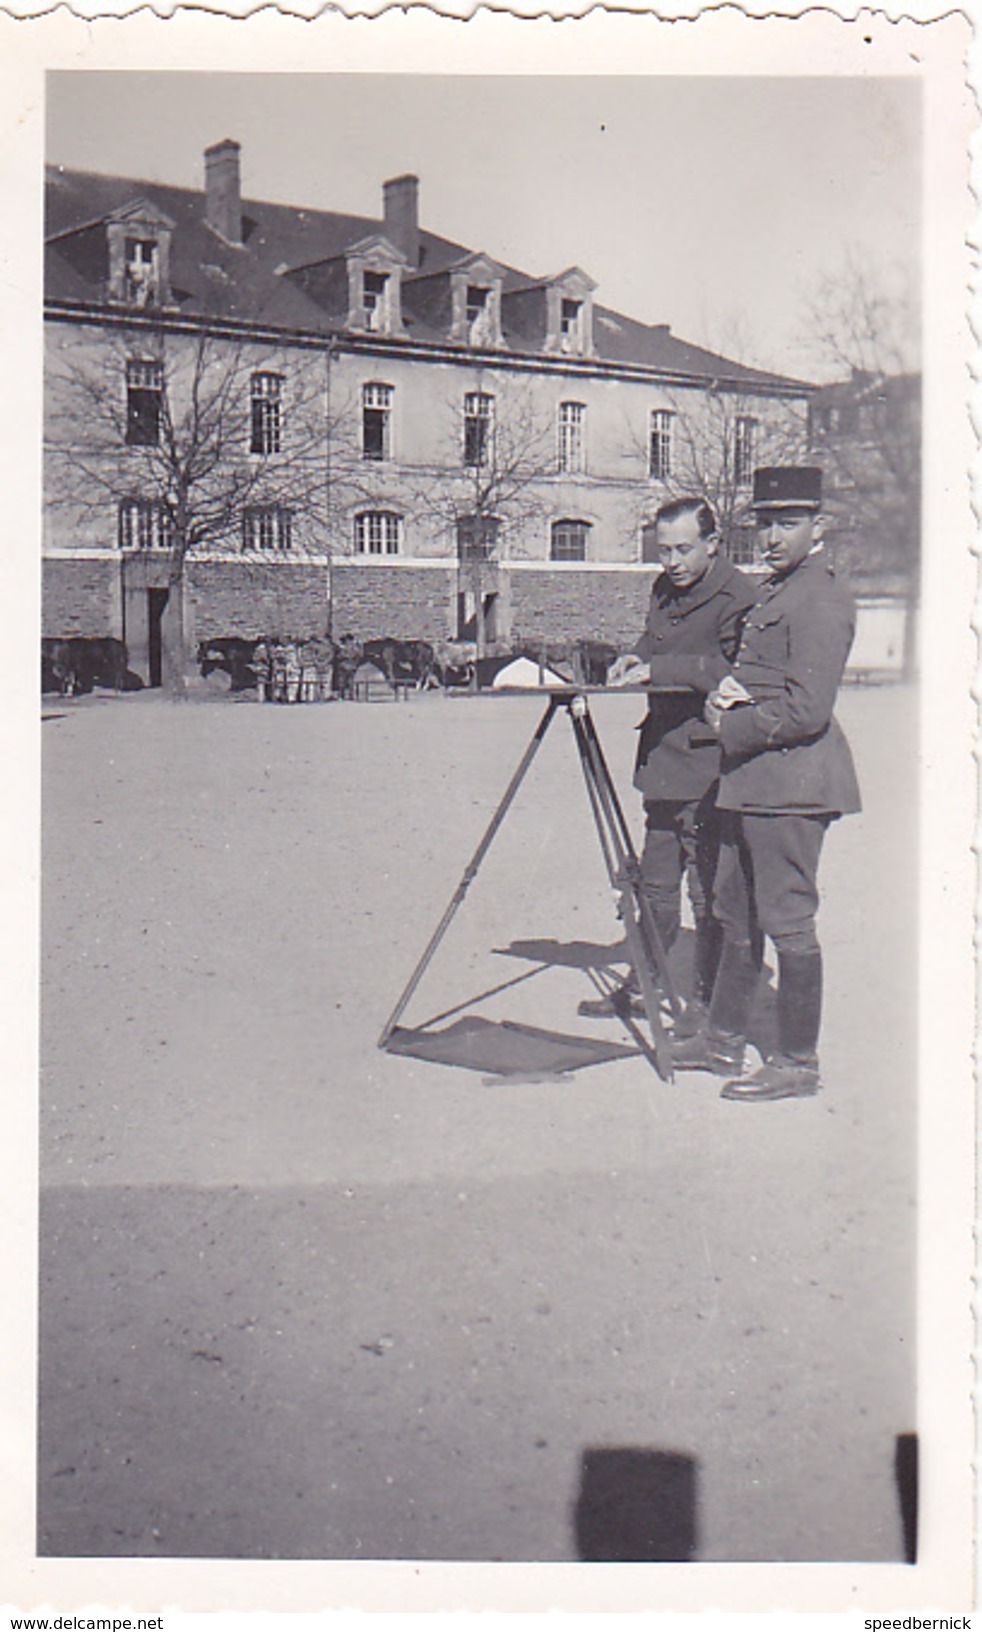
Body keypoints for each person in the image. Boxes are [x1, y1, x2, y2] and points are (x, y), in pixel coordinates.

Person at [673, 466, 861, 1101]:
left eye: (788, 523)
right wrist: (724, 694)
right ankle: (724, 1041)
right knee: (734, 912)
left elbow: (807, 711)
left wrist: (731, 726)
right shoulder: (780, 590)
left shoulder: (821, 598)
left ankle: (797, 1063)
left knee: (787, 920)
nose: (773, 536)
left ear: (819, 526)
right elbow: (766, 681)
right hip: (753, 782)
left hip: (793, 785)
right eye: (765, 523)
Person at [580, 495, 758, 1026]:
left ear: (713, 543)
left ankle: (706, 1002)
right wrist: (635, 654)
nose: (672, 562)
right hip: (663, 759)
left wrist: (657, 671)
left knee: (706, 895)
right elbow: (655, 638)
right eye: (663, 551)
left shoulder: (738, 597)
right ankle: (644, 984)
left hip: (709, 765)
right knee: (654, 886)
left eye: (683, 549)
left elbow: (730, 670)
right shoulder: (664, 587)